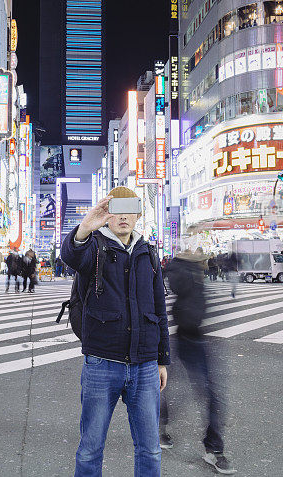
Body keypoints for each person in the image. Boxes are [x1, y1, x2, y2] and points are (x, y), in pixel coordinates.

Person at [61, 187, 170, 477]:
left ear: (138, 213)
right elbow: (70, 256)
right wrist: (86, 225)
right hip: (102, 361)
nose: (123, 216)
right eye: (115, 209)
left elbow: (159, 309)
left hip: (145, 364)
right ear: (106, 214)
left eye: (129, 208)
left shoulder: (148, 252)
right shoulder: (94, 247)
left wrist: (161, 360)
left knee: (150, 449)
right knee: (90, 448)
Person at [164, 249, 235, 474]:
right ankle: (212, 449)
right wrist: (187, 264)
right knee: (200, 392)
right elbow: (179, 291)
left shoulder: (193, 273)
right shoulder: (185, 273)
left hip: (195, 337)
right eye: (204, 258)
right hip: (187, 337)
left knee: (204, 393)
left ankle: (213, 448)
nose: (209, 261)